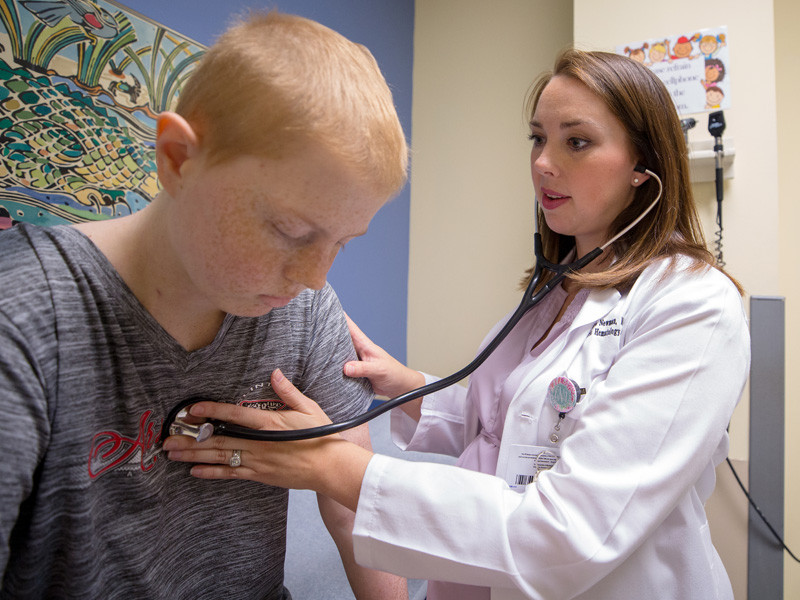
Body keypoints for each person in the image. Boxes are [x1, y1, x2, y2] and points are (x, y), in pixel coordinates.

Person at [164, 48, 750, 600]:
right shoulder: (557, 288)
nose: (544, 163)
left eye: (577, 142)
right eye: (538, 138)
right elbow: (509, 422)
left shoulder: (692, 306)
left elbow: (573, 533)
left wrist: (334, 467)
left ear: (644, 169)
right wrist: (405, 385)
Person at [0, 11, 409, 600]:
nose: (316, 278)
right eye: (292, 231)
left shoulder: (303, 309)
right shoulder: (26, 321)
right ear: (176, 159)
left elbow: (352, 510)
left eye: (341, 243)